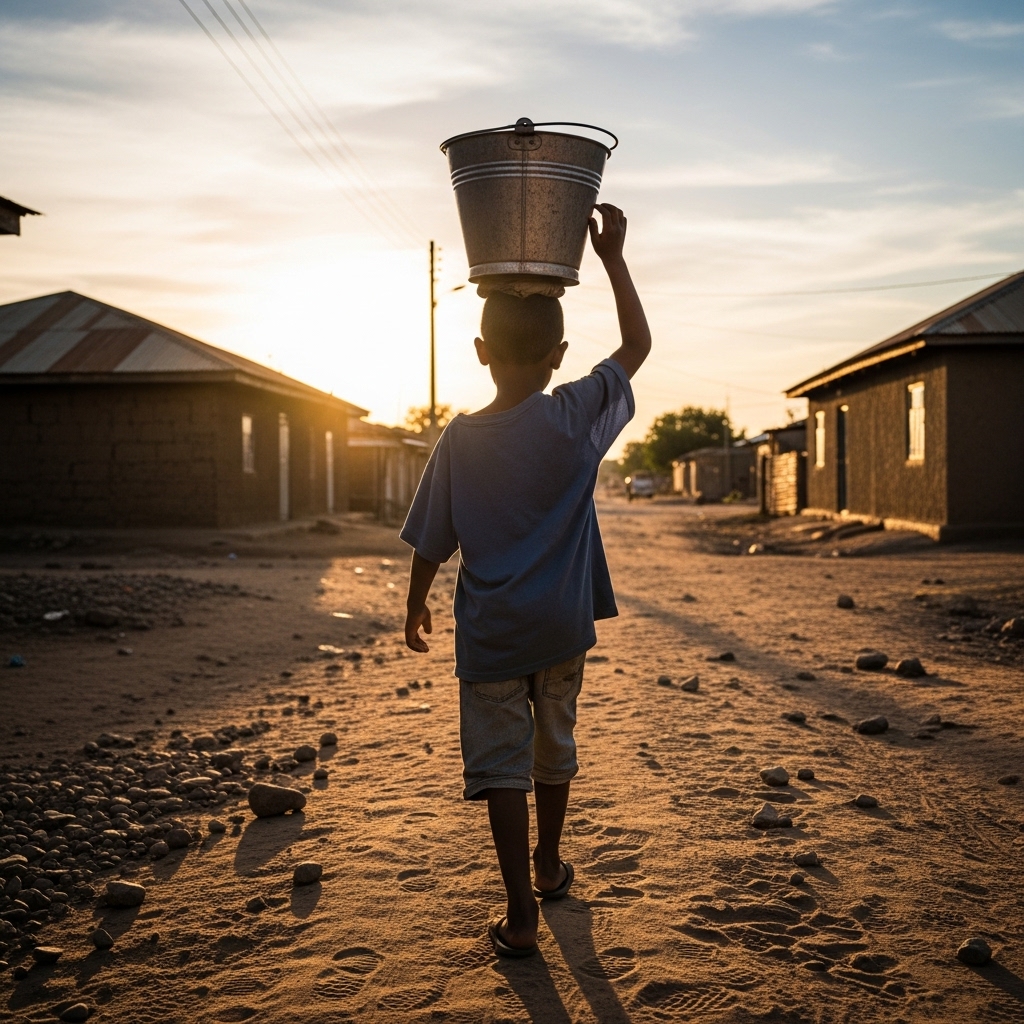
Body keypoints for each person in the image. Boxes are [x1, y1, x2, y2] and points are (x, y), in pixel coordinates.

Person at [400, 203, 651, 957]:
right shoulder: (577, 415)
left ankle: (518, 910)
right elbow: (638, 345)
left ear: (479, 351)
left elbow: (432, 540)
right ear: (559, 354)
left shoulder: (460, 438)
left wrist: (415, 606)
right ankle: (549, 863)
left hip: (493, 636)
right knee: (554, 747)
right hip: (562, 628)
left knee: (499, 765)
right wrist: (609, 257)